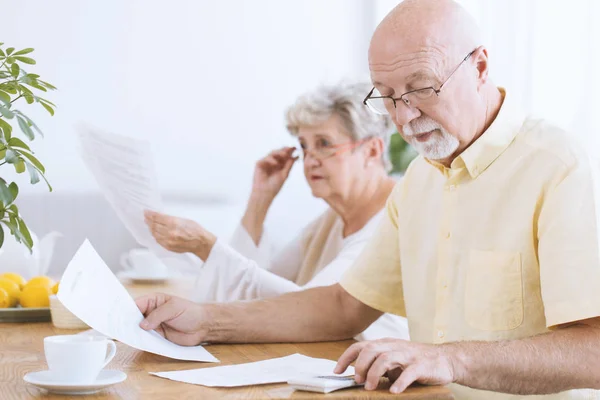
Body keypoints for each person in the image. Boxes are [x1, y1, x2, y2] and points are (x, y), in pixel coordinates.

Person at [136, 0, 600, 398]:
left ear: (479, 66)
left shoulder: (560, 167)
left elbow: (593, 351)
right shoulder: (420, 181)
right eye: (389, 97)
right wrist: (206, 321)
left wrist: (451, 360)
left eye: (420, 87)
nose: (405, 115)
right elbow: (343, 307)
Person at [143, 81, 409, 341]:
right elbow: (259, 295)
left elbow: (316, 313)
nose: (311, 159)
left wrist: (206, 246)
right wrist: (260, 200)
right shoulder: (331, 220)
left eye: (324, 143)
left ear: (372, 150)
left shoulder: (391, 219)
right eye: (304, 146)